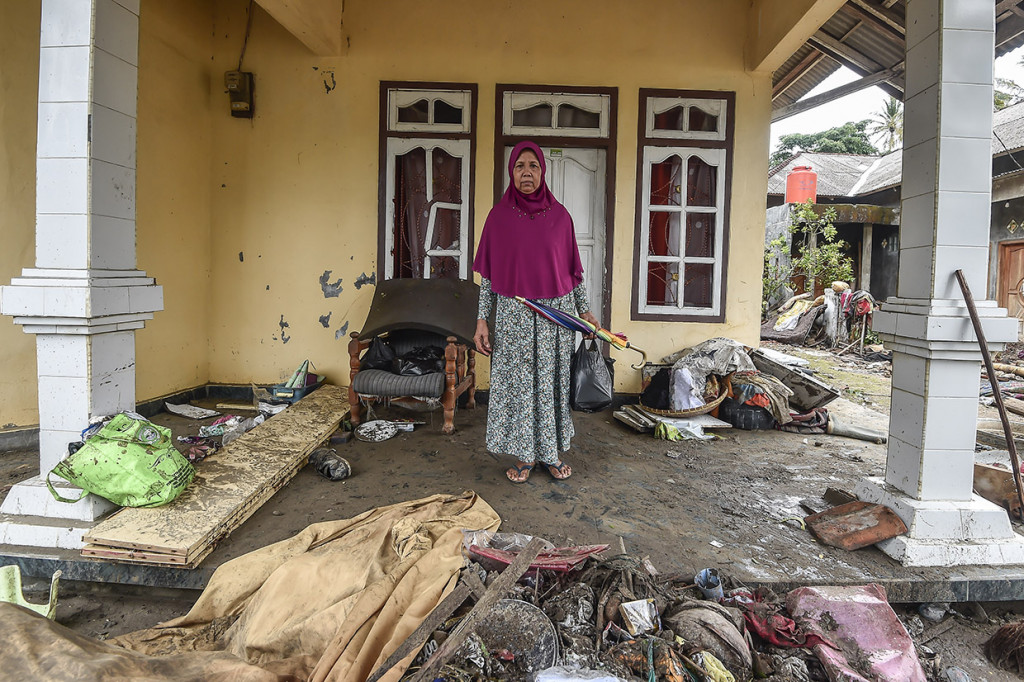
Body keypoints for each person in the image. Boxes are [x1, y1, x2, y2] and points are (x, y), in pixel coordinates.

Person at [472, 141, 600, 483]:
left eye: (533, 166)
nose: (526, 172)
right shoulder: (498, 218)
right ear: (511, 172)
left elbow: (572, 273)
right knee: (520, 387)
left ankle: (551, 453)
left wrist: (584, 313)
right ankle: (526, 456)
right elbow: (488, 276)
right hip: (513, 316)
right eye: (519, 166)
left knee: (550, 385)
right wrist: (482, 319)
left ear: (542, 172)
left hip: (553, 317)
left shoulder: (560, 218)